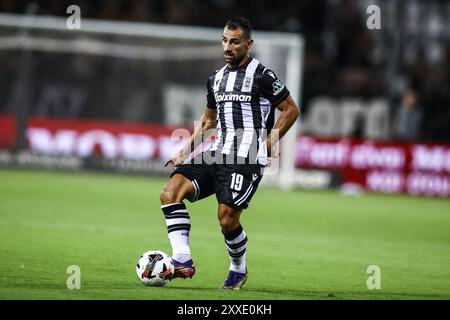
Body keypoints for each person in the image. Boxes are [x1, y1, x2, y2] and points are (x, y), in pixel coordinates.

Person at [160, 17, 300, 290]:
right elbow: (209, 121)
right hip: (218, 150)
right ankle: (182, 260)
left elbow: (290, 108)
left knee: (226, 218)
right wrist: (184, 151)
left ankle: (238, 269)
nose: (227, 47)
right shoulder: (216, 78)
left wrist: (272, 139)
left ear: (248, 44)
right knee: (170, 192)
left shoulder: (262, 75)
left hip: (247, 156)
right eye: (224, 40)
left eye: (234, 42)